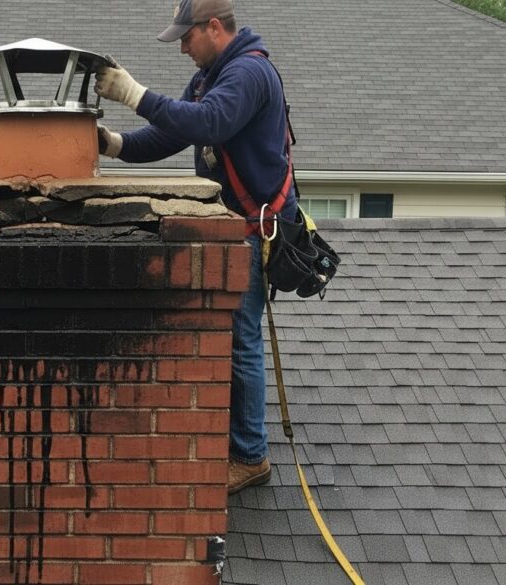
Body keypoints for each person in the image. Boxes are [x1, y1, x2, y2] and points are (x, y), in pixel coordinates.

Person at [95, 0, 298, 493]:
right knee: (231, 337)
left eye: (187, 37)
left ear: (214, 27)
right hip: (235, 226)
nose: (183, 47)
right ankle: (234, 438)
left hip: (254, 227)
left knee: (242, 341)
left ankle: (250, 456)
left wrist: (132, 92)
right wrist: (111, 143)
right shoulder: (213, 74)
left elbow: (208, 124)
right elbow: (172, 132)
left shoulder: (249, 72)